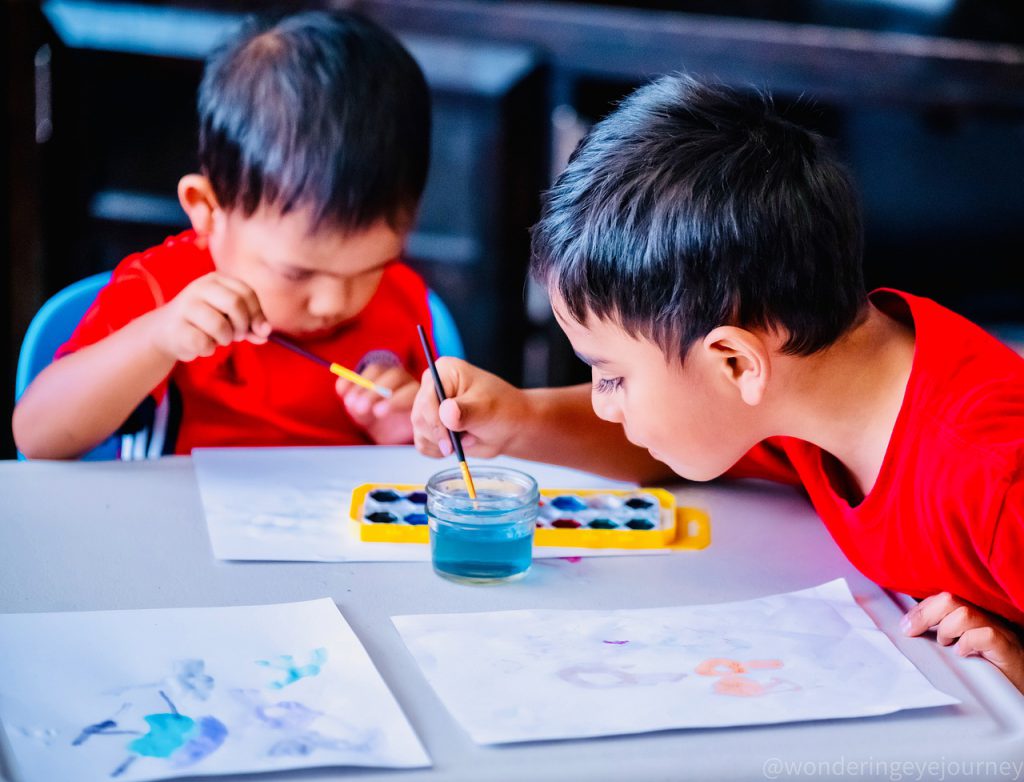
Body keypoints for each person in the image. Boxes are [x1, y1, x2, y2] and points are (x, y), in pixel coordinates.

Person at [410, 75, 1024, 692]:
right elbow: (677, 441)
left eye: (612, 377)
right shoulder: (813, 380)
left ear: (733, 361)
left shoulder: (994, 478)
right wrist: (519, 418)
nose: (604, 403)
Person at [14, 10, 435, 457]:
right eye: (296, 273)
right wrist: (157, 339)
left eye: (370, 268)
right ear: (208, 209)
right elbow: (39, 439)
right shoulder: (161, 295)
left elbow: (424, 461)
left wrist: (403, 429)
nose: (333, 303)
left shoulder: (401, 298)